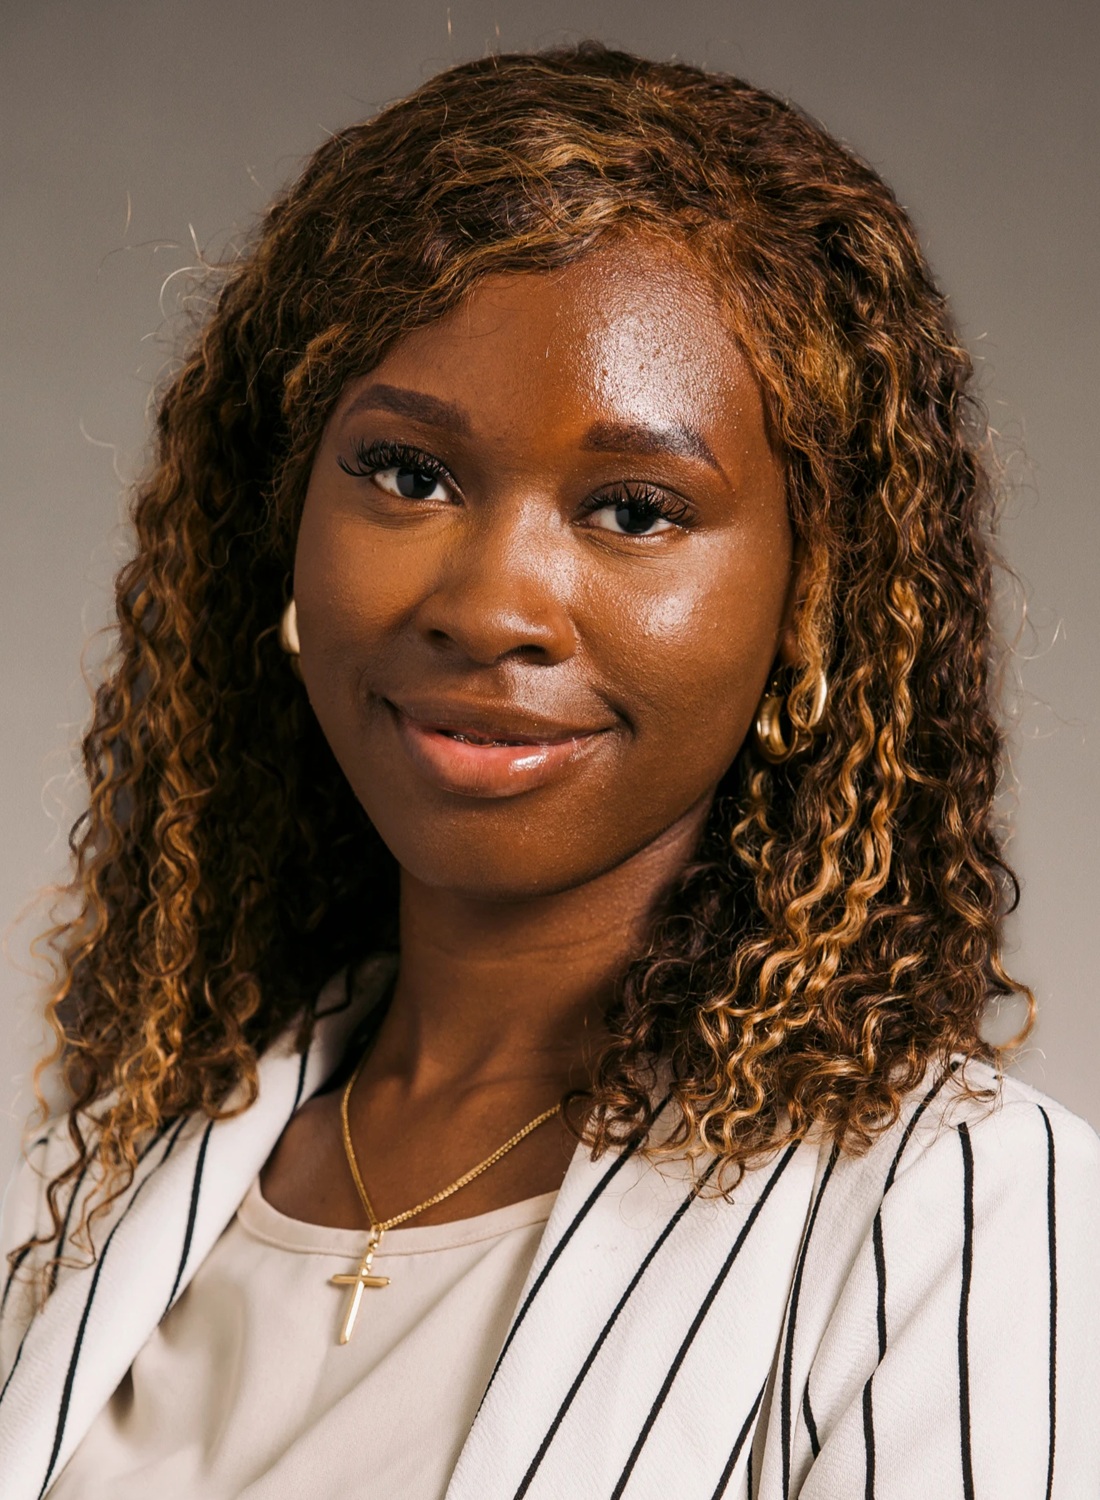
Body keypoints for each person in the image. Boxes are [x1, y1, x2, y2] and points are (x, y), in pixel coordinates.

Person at [1, 40, 1096, 1500]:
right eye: (405, 474)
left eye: (636, 508)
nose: (490, 602)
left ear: (813, 602)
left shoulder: (953, 1218)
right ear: (285, 532)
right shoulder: (72, 1210)